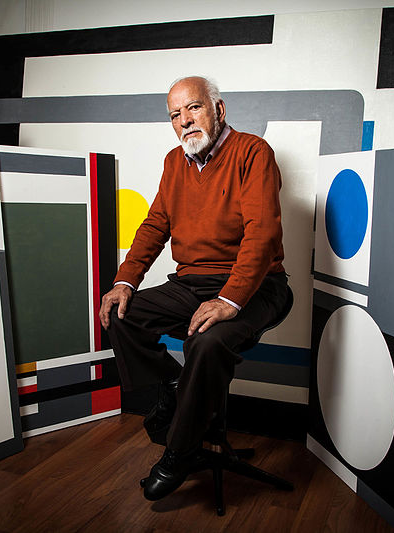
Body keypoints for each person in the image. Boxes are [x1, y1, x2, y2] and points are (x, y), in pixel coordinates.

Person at [99, 75, 289, 501]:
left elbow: (262, 235)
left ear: (218, 110)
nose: (184, 121)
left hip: (258, 284)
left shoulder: (253, 152)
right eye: (175, 114)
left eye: (194, 108)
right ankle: (174, 386)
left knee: (206, 342)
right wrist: (125, 280)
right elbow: (155, 226)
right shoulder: (174, 163)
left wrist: (229, 299)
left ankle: (180, 451)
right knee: (121, 315)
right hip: (193, 283)